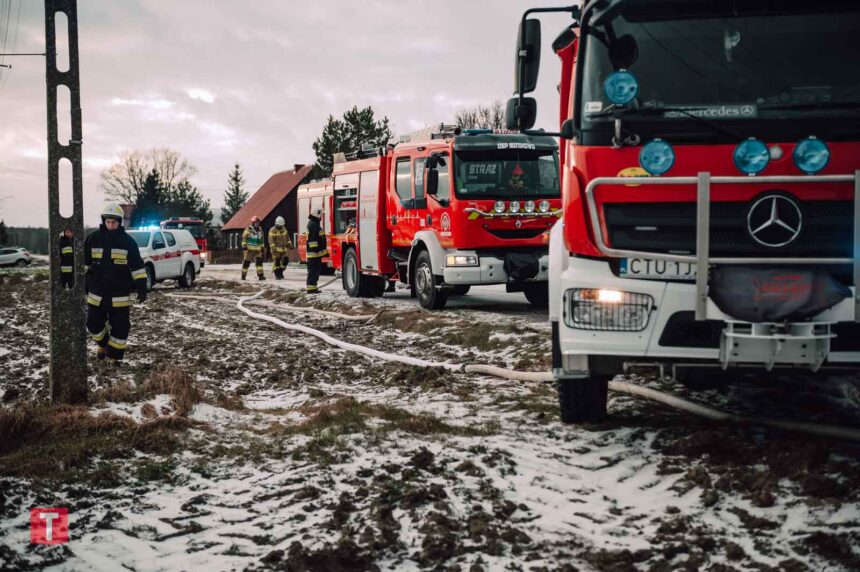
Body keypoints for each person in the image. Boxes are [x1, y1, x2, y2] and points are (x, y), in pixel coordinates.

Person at [84, 203, 147, 365]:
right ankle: (104, 345)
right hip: (96, 293)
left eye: (114, 222)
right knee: (93, 324)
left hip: (119, 295)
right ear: (103, 221)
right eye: (108, 222)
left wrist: (141, 287)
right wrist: (82, 283)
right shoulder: (93, 239)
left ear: (120, 222)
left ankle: (115, 357)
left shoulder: (128, 242)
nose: (111, 225)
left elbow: (137, 267)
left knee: (121, 327)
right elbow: (84, 264)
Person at [305, 207, 327, 294]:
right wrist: (318, 250)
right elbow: (313, 241)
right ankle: (311, 289)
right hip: (314, 254)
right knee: (313, 272)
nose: (321, 217)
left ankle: (313, 288)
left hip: (315, 253)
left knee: (315, 272)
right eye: (320, 215)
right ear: (316, 215)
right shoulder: (313, 225)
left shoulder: (313, 224)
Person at [241, 215, 266, 280]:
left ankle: (260, 276)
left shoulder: (260, 230)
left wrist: (262, 247)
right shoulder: (249, 229)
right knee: (246, 263)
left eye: (258, 223)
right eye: (256, 223)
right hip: (249, 250)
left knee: (259, 262)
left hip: (258, 250)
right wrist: (244, 246)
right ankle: (243, 276)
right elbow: (244, 238)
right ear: (253, 223)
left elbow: (262, 240)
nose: (257, 224)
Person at [268, 215, 293, 280]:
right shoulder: (272, 230)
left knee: (285, 260)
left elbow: (287, 237)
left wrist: (289, 244)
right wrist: (273, 248)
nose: (281, 226)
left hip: (283, 249)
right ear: (276, 223)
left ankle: (280, 272)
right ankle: (277, 275)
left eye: (282, 225)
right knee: (277, 262)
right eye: (280, 225)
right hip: (275, 250)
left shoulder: (284, 229)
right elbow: (271, 240)